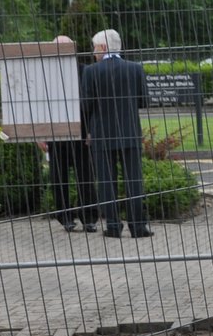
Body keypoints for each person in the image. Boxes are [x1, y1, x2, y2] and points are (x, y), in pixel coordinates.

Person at [80, 28, 151, 239]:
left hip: (102, 134)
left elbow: (86, 105)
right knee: (134, 180)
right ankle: (138, 226)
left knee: (106, 181)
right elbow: (144, 101)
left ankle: (113, 225)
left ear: (102, 47)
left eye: (94, 48)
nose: (93, 53)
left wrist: (88, 131)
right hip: (130, 132)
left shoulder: (91, 72)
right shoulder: (135, 68)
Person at [43, 34, 98, 233]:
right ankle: (65, 217)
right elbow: (39, 105)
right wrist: (40, 135)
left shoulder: (85, 71)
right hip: (55, 134)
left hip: (82, 133)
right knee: (59, 177)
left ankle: (89, 218)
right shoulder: (46, 73)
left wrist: (92, 131)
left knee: (86, 176)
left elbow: (93, 105)